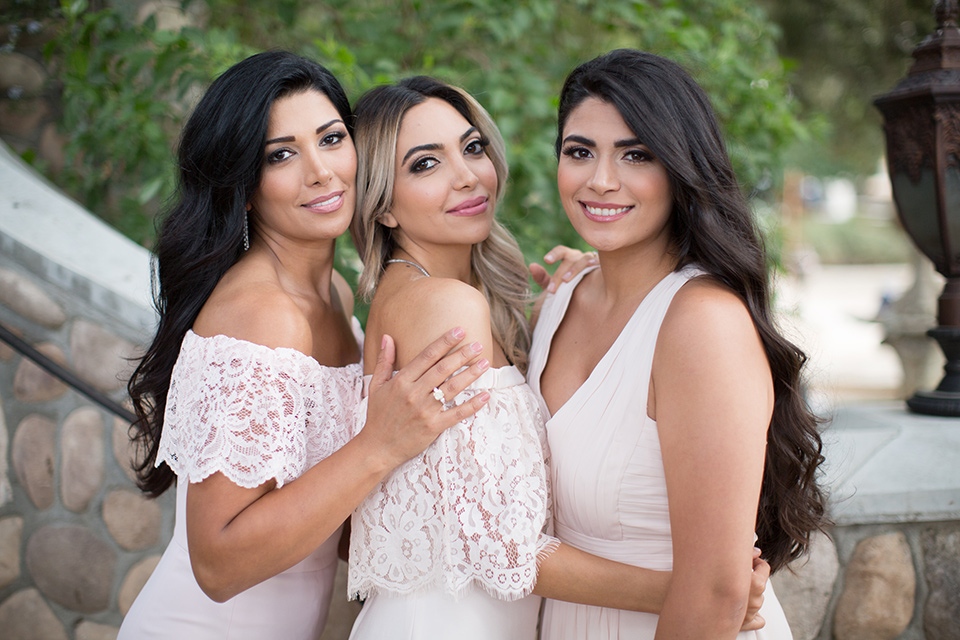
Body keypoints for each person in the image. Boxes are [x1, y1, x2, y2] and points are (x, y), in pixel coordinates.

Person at [345, 75, 772, 640]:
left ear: (680, 168)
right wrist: (701, 587)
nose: (468, 175)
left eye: (473, 149)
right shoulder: (448, 306)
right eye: (425, 164)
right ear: (381, 205)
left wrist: (586, 286)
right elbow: (497, 545)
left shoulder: (653, 312)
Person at [118, 51, 496, 639]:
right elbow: (217, 564)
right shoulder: (264, 315)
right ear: (243, 187)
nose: (321, 171)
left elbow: (321, 512)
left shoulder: (337, 297)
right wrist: (378, 446)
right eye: (282, 155)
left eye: (331, 138)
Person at [528, 49, 827, 639]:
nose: (601, 180)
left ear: (680, 167)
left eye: (636, 154)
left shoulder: (702, 324)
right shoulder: (561, 299)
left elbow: (718, 589)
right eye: (579, 151)